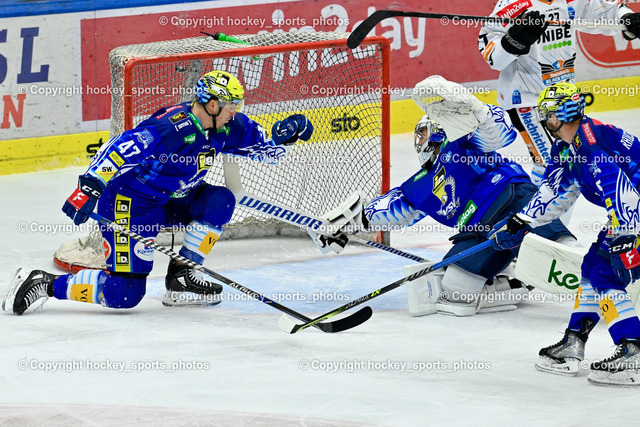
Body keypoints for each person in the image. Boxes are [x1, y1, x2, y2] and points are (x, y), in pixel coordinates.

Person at [3, 70, 313, 314]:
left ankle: (182, 276)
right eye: (231, 105)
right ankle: (44, 284)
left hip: (176, 200)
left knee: (220, 201)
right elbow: (121, 148)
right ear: (213, 104)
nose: (236, 111)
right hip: (132, 205)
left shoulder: (227, 127)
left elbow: (264, 149)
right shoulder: (172, 127)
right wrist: (90, 187)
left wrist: (284, 136)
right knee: (124, 294)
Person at [314, 77, 574, 317]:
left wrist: (479, 111)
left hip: (511, 200)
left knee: (562, 250)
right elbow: (386, 212)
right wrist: (346, 225)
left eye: (423, 133)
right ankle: (514, 280)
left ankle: (598, 274)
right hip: (476, 231)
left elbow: (501, 132)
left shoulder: (462, 143)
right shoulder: (417, 185)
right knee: (455, 293)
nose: (420, 140)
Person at [490, 81, 640, 386]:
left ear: (563, 113)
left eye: (548, 114)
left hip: (631, 215)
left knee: (607, 274)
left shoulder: (591, 141)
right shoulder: (565, 148)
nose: (545, 121)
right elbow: (556, 192)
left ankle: (633, 351)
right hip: (628, 216)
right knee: (591, 269)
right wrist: (521, 220)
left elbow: (619, 187)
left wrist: (627, 227)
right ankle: (573, 342)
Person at [478, 0, 639, 187]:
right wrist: (514, 41)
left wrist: (626, 18)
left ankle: (531, 214)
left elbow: (606, 10)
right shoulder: (513, 4)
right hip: (528, 101)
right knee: (560, 172)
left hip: (565, 98)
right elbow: (491, 53)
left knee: (566, 166)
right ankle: (534, 214)